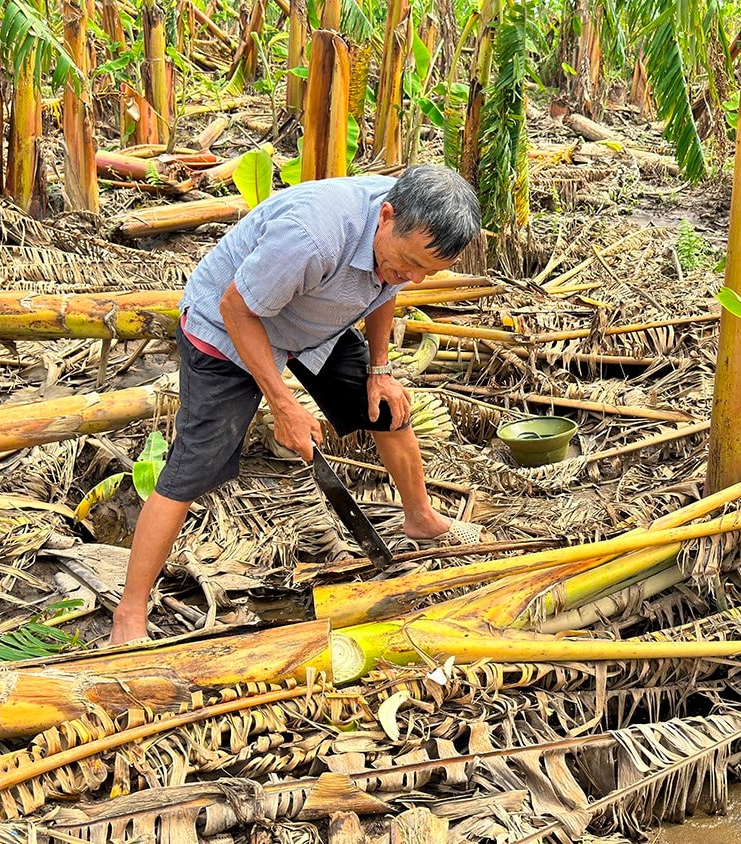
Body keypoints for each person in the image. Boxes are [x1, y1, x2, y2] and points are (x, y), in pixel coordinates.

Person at [110, 166, 487, 644]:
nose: (411, 279)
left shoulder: (398, 237)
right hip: (227, 329)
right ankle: (129, 613)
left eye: (425, 274)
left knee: (388, 411)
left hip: (312, 324)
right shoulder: (312, 235)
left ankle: (421, 518)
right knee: (191, 468)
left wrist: (379, 369)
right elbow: (236, 307)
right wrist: (284, 402)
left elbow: (384, 286)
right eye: (408, 262)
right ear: (386, 217)